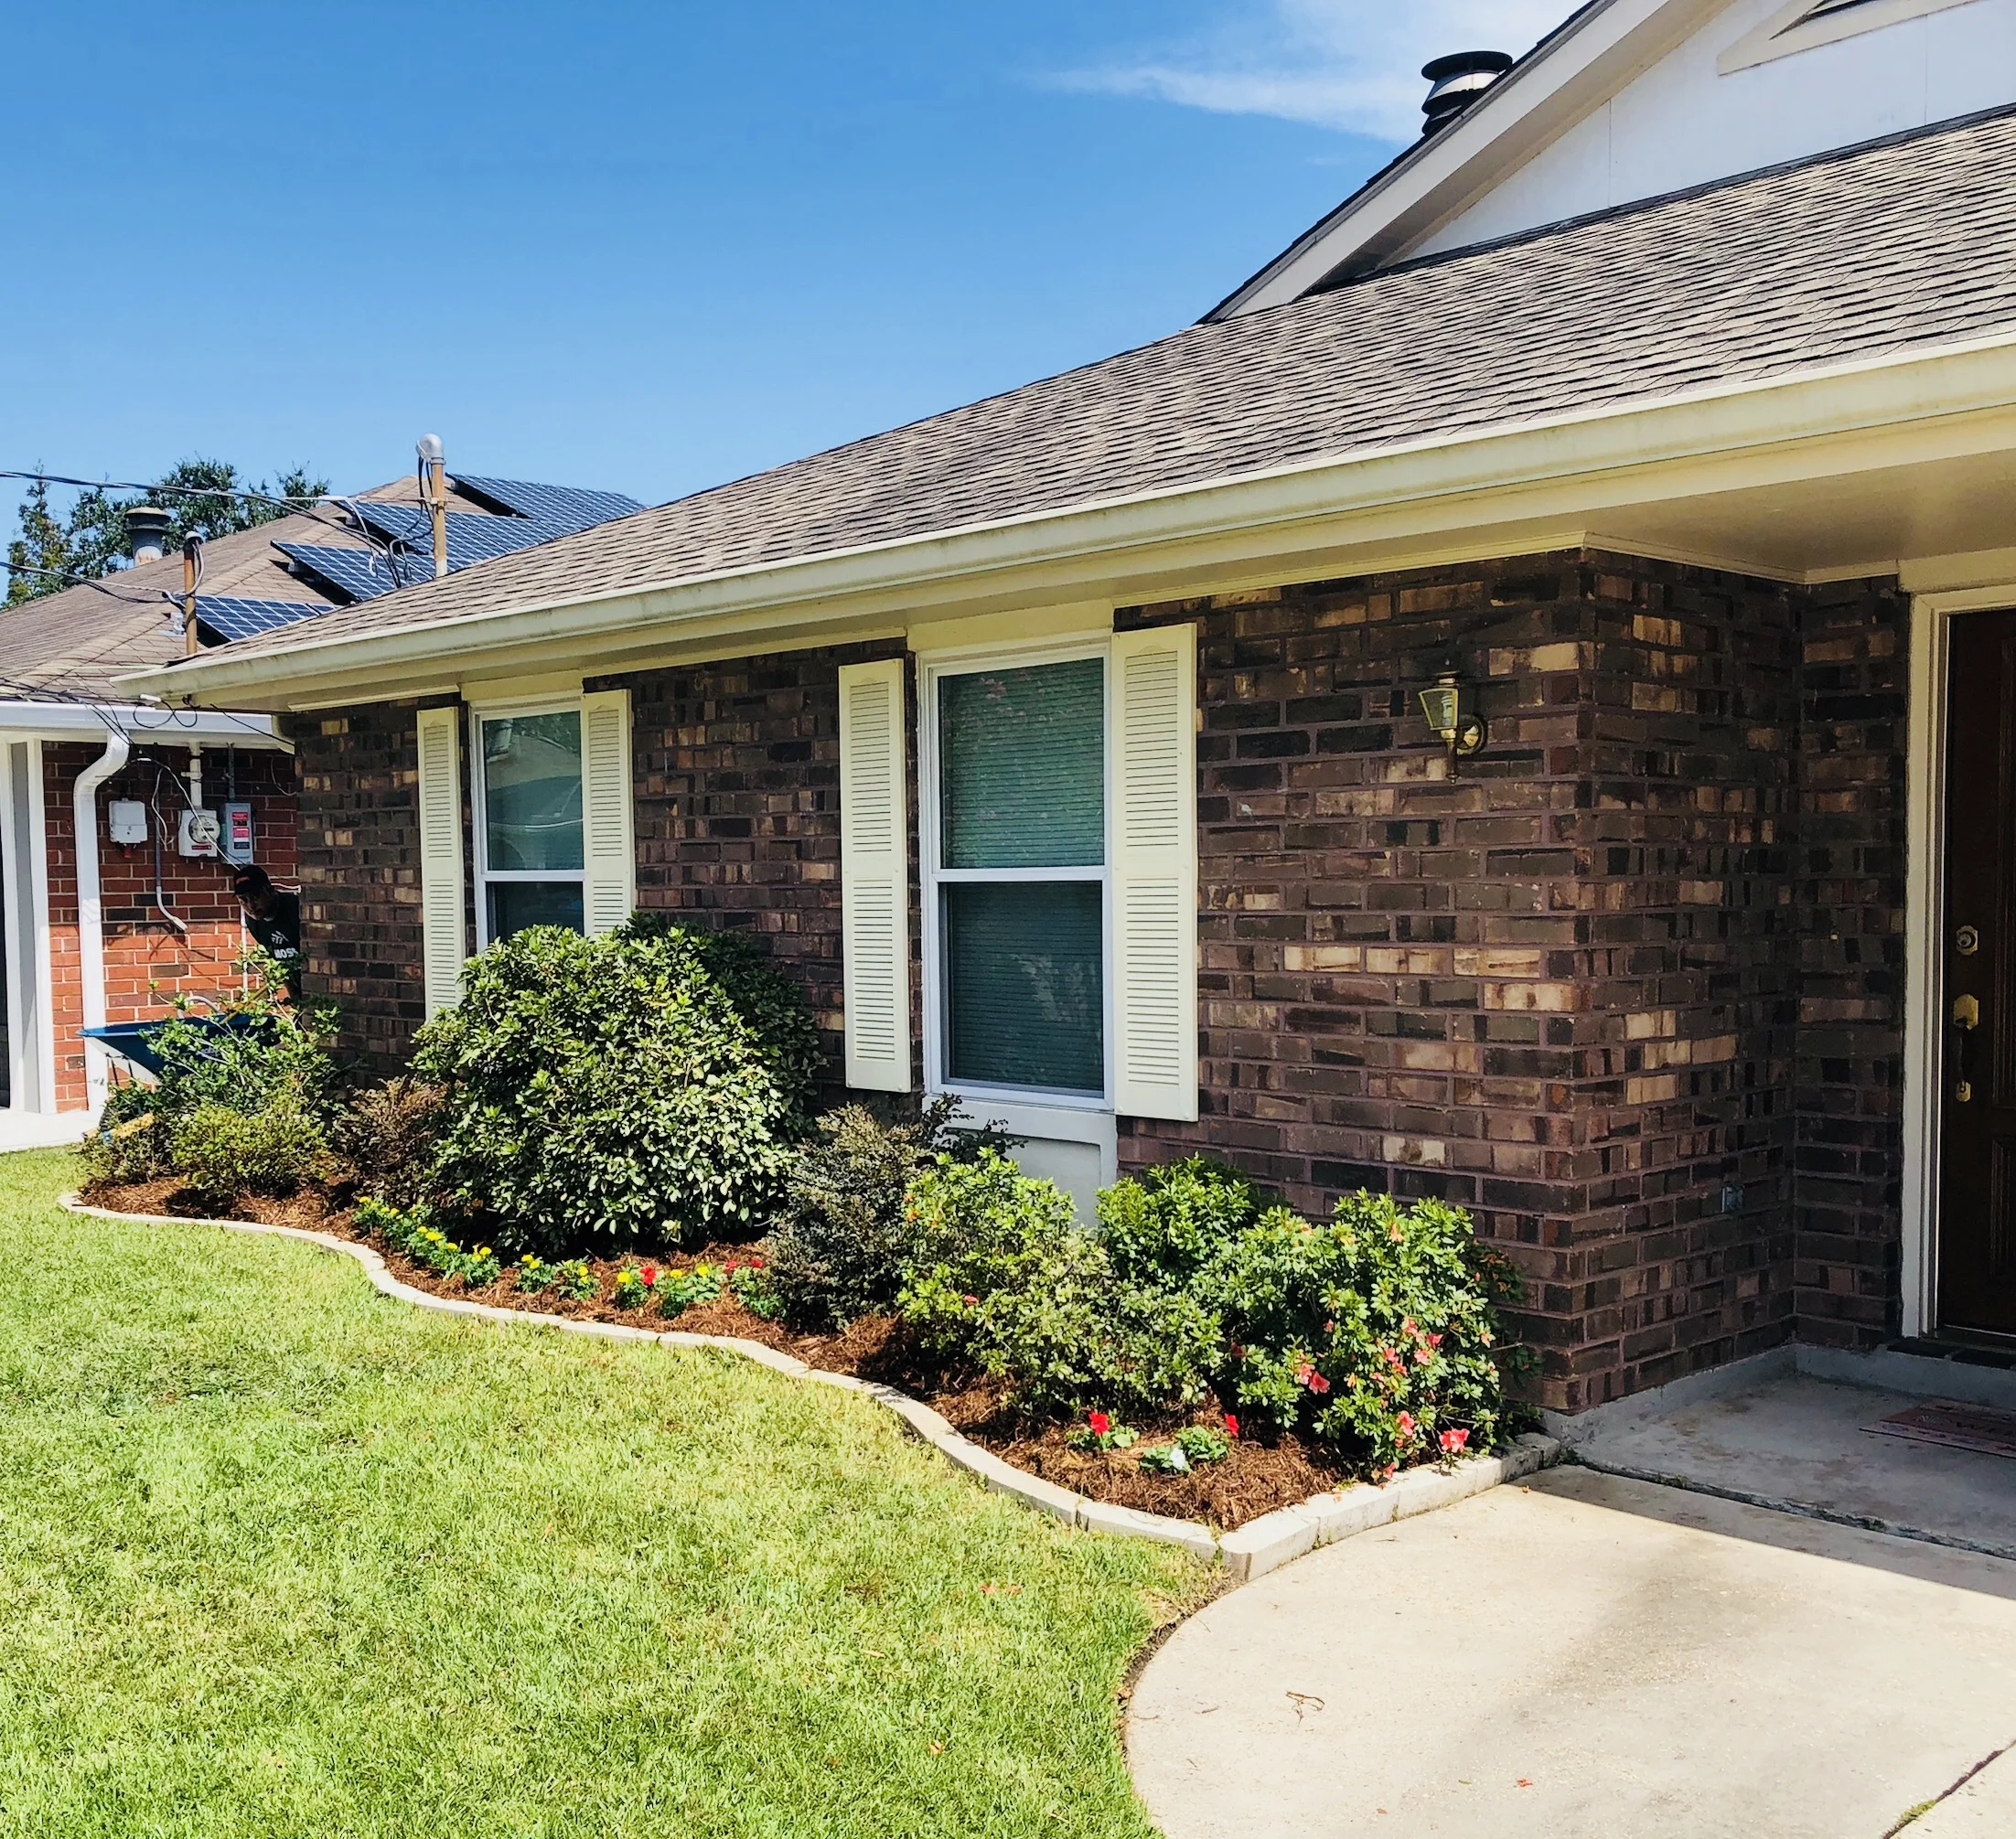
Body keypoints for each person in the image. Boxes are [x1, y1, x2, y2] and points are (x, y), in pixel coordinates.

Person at [232, 865, 303, 995]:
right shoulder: (253, 922)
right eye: (243, 900)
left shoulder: (296, 910)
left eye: (254, 897)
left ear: (270, 890)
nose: (251, 906)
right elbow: (281, 965)